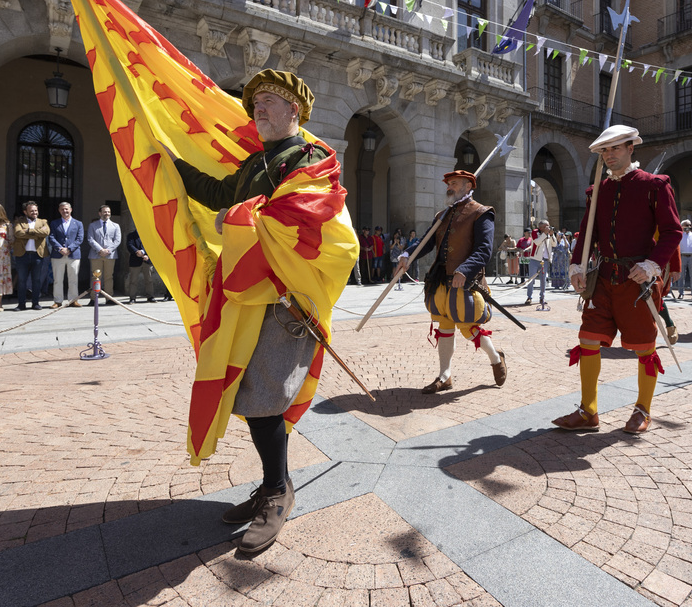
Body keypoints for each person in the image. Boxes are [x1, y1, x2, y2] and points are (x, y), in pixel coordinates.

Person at [173, 68, 357, 555]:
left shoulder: (309, 157)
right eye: (255, 103)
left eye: (270, 101)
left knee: (266, 398)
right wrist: (168, 164)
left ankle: (277, 491)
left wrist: (232, 221)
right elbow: (223, 195)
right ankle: (273, 484)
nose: (258, 108)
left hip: (285, 301)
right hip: (250, 299)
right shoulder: (258, 160)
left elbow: (302, 219)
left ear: (294, 110)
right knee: (251, 394)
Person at [554, 125, 681, 435]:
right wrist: (576, 266)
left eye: (615, 149)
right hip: (604, 279)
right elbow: (587, 234)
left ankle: (643, 409)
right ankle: (589, 411)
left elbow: (672, 231)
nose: (609, 155)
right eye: (604, 151)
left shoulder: (654, 185)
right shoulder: (597, 190)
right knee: (587, 339)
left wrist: (652, 264)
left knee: (643, 348)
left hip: (638, 282)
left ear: (630, 149)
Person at [393, 170, 507, 394]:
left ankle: (496, 358)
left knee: (468, 327)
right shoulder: (442, 215)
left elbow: (484, 250)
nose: (449, 187)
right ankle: (445, 376)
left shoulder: (482, 213)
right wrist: (407, 255)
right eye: (448, 183)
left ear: (468, 186)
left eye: (454, 183)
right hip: (441, 281)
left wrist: (465, 269)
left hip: (467, 282)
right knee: (444, 326)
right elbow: (426, 242)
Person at [12, 201, 50, 311]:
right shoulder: (19, 221)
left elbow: (46, 233)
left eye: (36, 210)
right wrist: (36, 234)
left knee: (36, 280)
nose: (34, 212)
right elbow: (18, 233)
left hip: (37, 255)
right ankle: (21, 304)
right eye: (32, 211)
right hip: (22, 255)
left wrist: (28, 231)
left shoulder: (43, 222)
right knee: (22, 280)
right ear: (25, 212)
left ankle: (35, 303)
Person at [47, 202, 84, 308]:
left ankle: (73, 300)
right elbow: (52, 237)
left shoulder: (78, 223)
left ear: (71, 210)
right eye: (62, 209)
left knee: (73, 278)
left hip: (73, 255)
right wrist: (60, 248)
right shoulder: (54, 223)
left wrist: (70, 249)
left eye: (67, 209)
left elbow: (79, 238)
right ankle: (58, 301)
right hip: (58, 255)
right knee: (58, 279)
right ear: (59, 211)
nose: (65, 211)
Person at [86, 205, 121, 306]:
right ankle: (93, 298)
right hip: (96, 255)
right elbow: (90, 239)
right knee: (95, 277)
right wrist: (100, 250)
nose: (107, 214)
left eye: (108, 212)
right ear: (100, 213)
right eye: (105, 212)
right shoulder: (93, 225)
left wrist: (108, 250)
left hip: (110, 255)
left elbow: (117, 240)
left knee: (108, 277)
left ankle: (109, 298)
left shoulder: (115, 226)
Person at [525, 220, 555, 307]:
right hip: (535, 259)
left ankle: (542, 297)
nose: (548, 228)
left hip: (545, 260)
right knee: (531, 279)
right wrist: (545, 234)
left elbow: (554, 244)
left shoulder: (549, 234)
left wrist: (552, 235)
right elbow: (537, 242)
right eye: (547, 226)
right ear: (541, 227)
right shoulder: (535, 232)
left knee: (543, 280)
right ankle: (529, 297)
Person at [125, 228, 157, 303]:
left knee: (149, 280)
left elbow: (152, 245)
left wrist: (145, 253)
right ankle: (132, 298)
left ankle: (150, 296)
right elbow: (129, 245)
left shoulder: (149, 235)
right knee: (133, 280)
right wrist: (136, 251)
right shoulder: (131, 235)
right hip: (135, 261)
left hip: (147, 260)